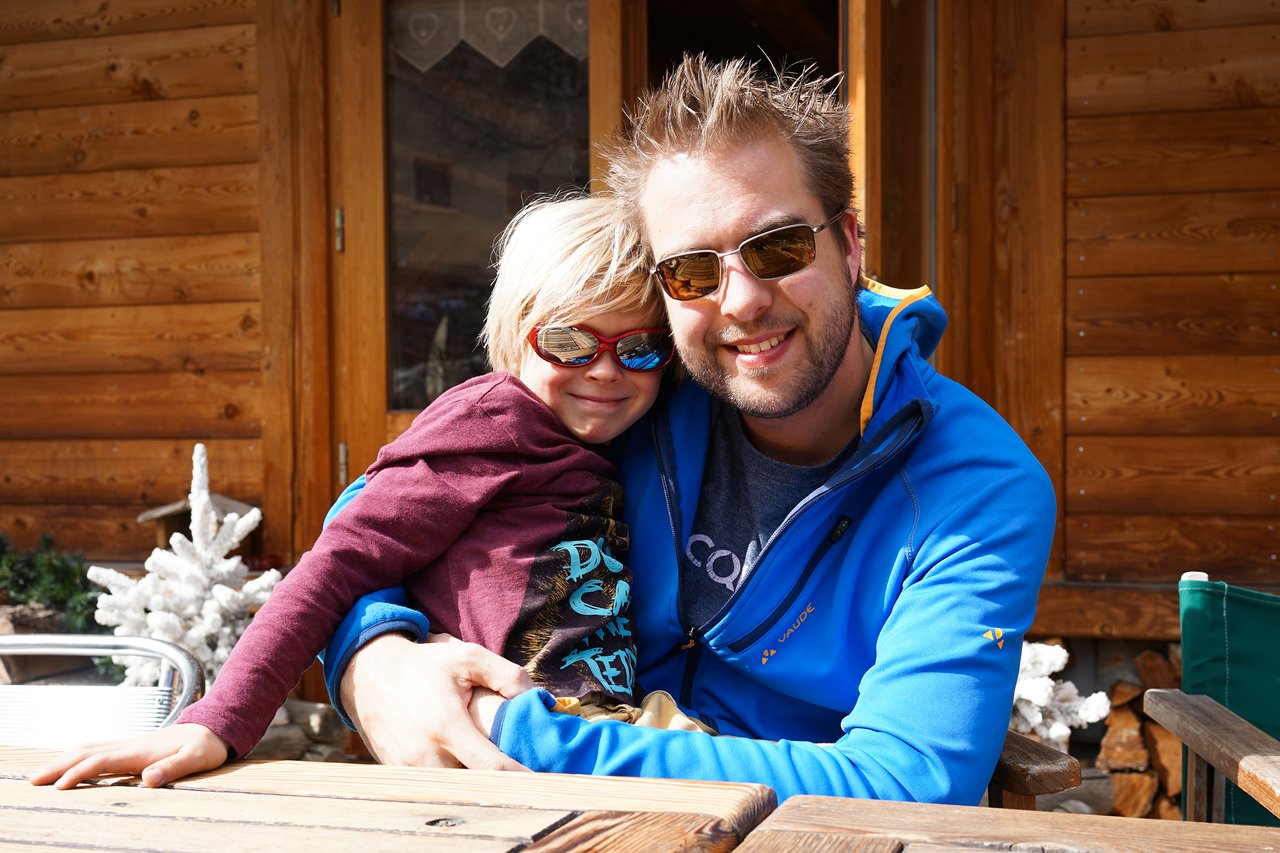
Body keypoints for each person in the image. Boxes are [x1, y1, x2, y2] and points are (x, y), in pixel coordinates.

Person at [317, 54, 1058, 805]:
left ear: (850, 244)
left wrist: (512, 731)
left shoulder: (975, 487)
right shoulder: (635, 383)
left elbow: (906, 783)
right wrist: (375, 659)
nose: (739, 301)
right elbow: (372, 511)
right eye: (691, 272)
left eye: (778, 247)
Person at [32, 192, 696, 789]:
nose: (605, 370)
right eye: (570, 342)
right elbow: (337, 564)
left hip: (601, 720)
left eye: (639, 348)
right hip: (512, 731)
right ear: (516, 334)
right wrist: (220, 720)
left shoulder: (612, 441)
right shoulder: (492, 423)